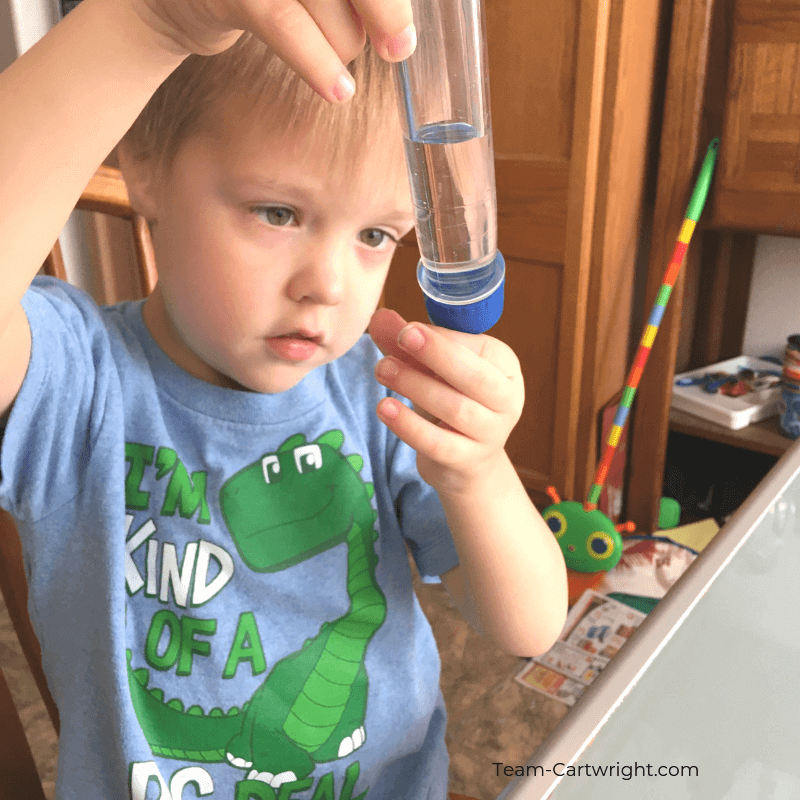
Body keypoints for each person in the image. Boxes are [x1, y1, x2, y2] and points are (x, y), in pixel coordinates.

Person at [0, 0, 568, 797]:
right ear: (148, 166)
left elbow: (528, 626)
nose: (329, 288)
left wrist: (478, 474)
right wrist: (146, 25)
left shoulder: (378, 388)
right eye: (278, 212)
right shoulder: (79, 383)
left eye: (376, 236)